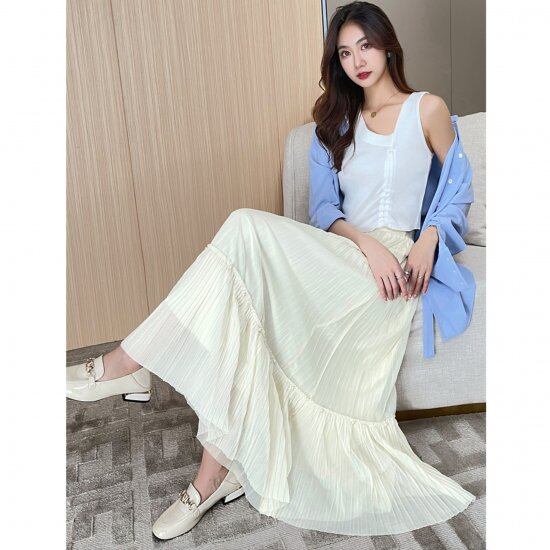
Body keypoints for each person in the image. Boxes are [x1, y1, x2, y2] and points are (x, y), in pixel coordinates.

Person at [67, 0, 476, 538]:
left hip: (390, 271)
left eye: (366, 46)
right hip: (345, 253)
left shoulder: (428, 109)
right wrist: (366, 247)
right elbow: (326, 213)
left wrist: (425, 240)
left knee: (243, 227)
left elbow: (458, 190)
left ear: (388, 46)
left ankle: (134, 366)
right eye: (345, 53)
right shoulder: (333, 124)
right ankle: (211, 474)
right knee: (242, 305)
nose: (357, 61)